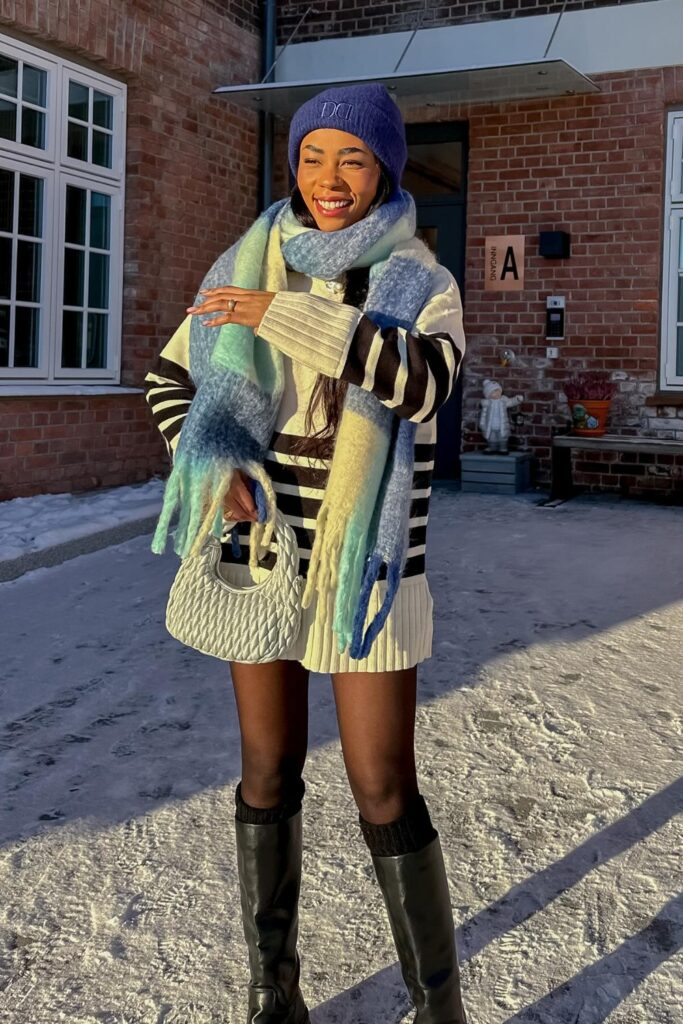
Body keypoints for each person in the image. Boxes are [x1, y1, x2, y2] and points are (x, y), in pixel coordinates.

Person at [144, 83, 468, 1024]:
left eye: (353, 159)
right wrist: (208, 461)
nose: (330, 180)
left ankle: (439, 1007)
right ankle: (272, 992)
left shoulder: (420, 279)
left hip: (365, 567)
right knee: (265, 767)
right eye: (314, 157)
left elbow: (420, 386)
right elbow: (172, 377)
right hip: (261, 547)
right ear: (294, 164)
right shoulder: (247, 261)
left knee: (379, 780)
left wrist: (283, 315)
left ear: (384, 171)